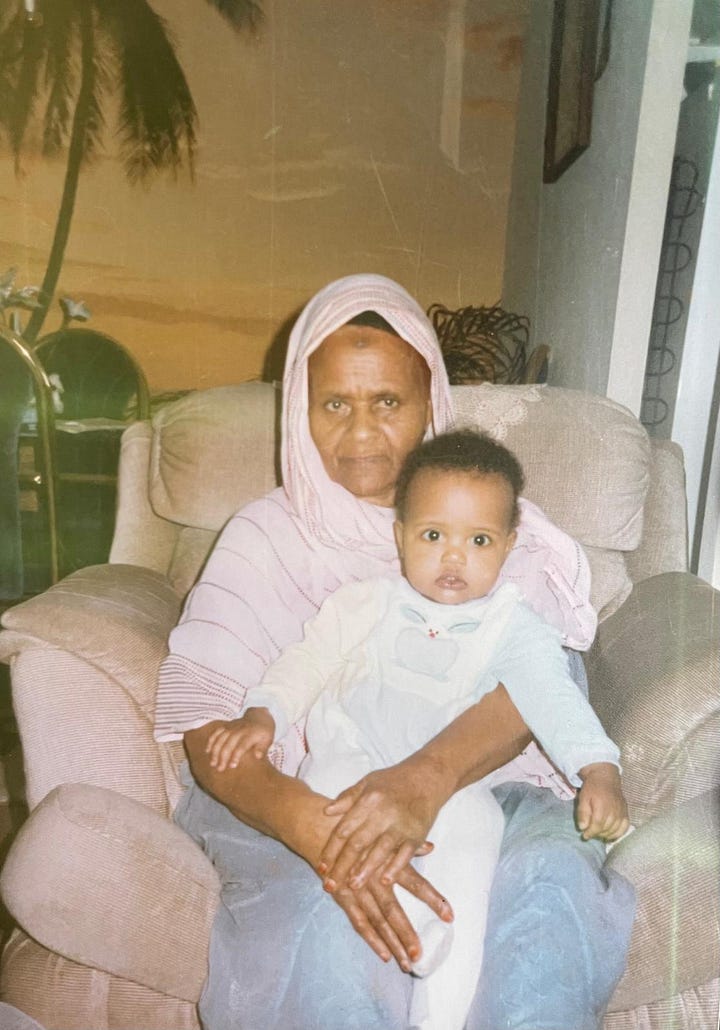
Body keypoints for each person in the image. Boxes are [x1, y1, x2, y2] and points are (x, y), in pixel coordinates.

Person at [154, 273, 635, 1030]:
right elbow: (209, 726)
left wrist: (424, 781)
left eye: (388, 402)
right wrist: (315, 829)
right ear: (297, 410)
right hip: (304, 789)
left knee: (546, 898)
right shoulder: (263, 536)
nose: (361, 432)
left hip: (499, 786)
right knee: (332, 933)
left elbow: (545, 677)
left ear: (432, 403)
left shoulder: (512, 535)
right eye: (334, 404)